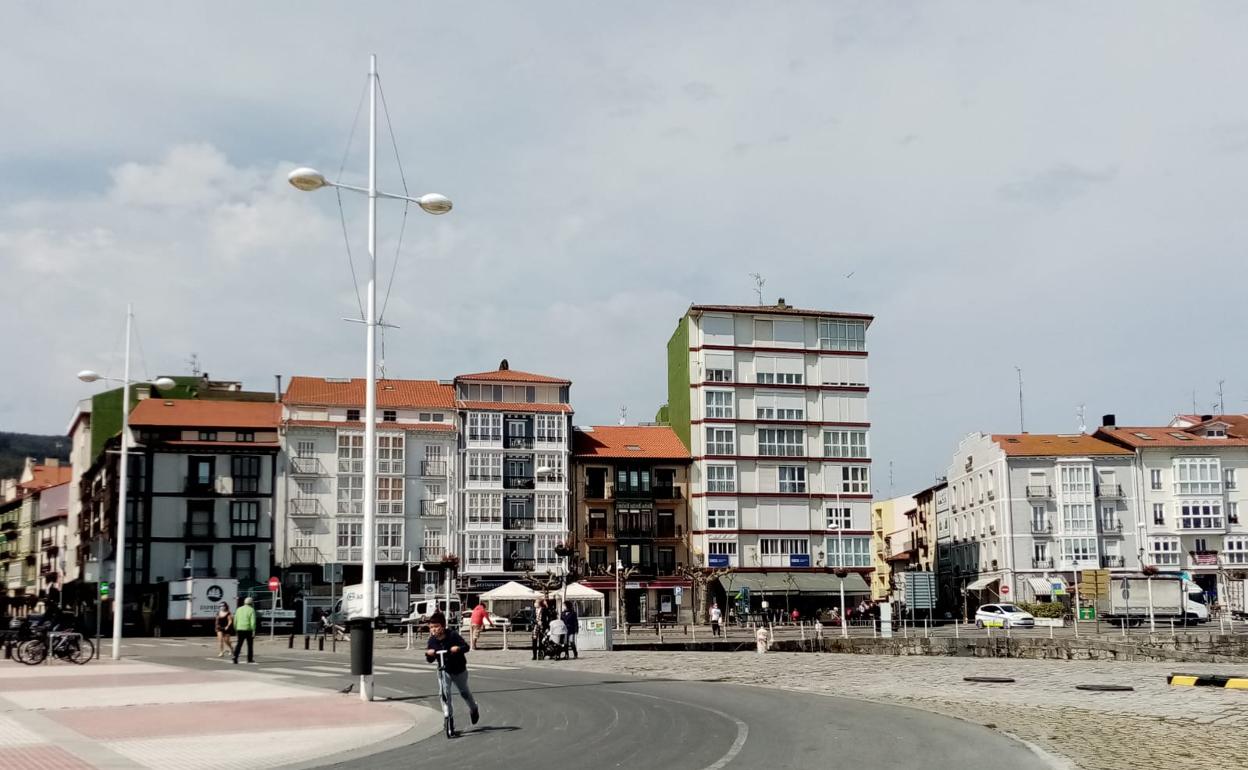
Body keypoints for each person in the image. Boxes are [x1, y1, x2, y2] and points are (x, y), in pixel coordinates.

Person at [424, 611, 479, 738]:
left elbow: (466, 647)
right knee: (444, 694)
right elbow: (430, 659)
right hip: (444, 670)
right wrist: (429, 654)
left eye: (436, 626)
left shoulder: (452, 635)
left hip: (458, 669)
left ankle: (474, 708)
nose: (434, 630)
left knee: (464, 692)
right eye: (431, 627)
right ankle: (448, 717)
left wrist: (458, 649)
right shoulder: (432, 640)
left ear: (443, 626)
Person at [232, 597, 257, 664]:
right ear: (251, 603)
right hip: (248, 629)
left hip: (239, 628)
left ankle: (235, 656)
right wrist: (253, 630)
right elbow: (253, 621)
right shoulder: (251, 610)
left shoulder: (238, 609)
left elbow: (235, 620)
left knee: (239, 644)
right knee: (250, 645)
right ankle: (249, 659)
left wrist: (235, 628)